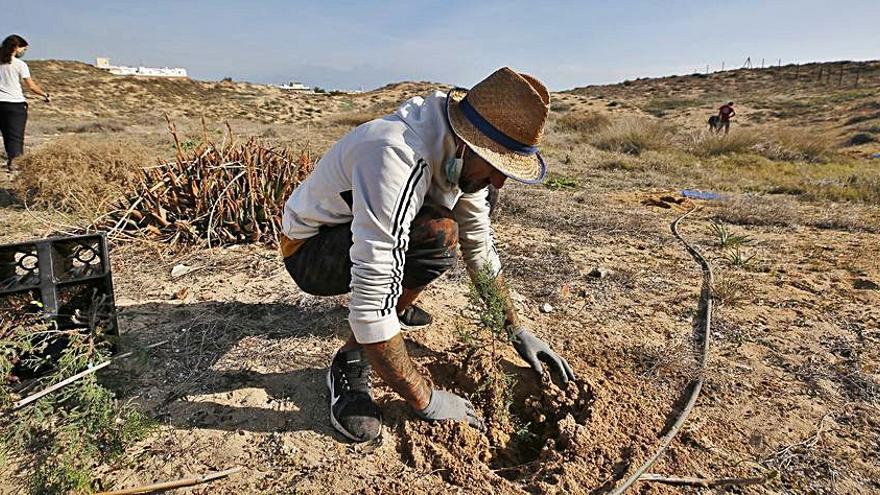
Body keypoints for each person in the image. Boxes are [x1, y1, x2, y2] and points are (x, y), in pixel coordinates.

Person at [280, 67, 575, 442]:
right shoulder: (395, 156)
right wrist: (425, 398)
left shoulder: (460, 145)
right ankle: (350, 360)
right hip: (310, 250)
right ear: (470, 144)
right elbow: (371, 300)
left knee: (457, 221)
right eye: (498, 166)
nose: (500, 179)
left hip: (355, 231)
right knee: (437, 235)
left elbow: (479, 246)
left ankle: (398, 309)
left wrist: (515, 328)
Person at [0, 34, 51, 172]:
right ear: (16, 47)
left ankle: (11, 161)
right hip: (15, 104)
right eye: (23, 49)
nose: (23, 52)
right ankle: (14, 163)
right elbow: (32, 86)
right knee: (15, 136)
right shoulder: (19, 64)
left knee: (5, 134)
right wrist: (45, 95)